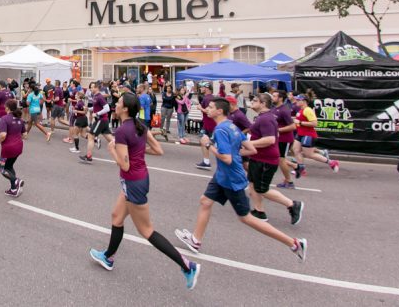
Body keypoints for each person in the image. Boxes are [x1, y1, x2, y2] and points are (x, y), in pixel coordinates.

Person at [89, 92, 200, 290]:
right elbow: (159, 150)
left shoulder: (123, 131)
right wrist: (136, 152)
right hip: (138, 179)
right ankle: (109, 257)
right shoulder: (140, 125)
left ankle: (187, 266)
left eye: (119, 102)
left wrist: (112, 150)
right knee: (116, 217)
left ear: (125, 109)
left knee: (147, 231)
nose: (115, 104)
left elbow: (124, 165)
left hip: (133, 182)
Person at [175, 98, 307, 263]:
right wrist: (234, 154)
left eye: (210, 107)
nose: (207, 109)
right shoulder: (232, 126)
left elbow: (227, 158)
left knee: (246, 218)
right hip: (222, 176)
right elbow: (250, 149)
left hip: (231, 178)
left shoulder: (221, 130)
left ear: (219, 111)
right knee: (205, 202)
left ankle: (294, 243)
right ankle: (195, 240)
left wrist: (209, 145)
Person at [244, 94, 304, 224]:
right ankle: (259, 211)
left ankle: (292, 204)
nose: (251, 102)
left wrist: (248, 144)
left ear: (263, 103)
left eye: (254, 100)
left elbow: (270, 139)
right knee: (253, 185)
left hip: (265, 160)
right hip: (257, 157)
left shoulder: (266, 118)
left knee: (262, 189)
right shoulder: (263, 117)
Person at [291, 95, 339, 176]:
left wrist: (300, 123)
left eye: (298, 100)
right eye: (296, 100)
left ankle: (332, 162)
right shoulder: (301, 110)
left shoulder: (308, 110)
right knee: (295, 150)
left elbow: (314, 123)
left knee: (309, 154)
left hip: (308, 135)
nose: (296, 101)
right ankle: (301, 168)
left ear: (304, 101)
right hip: (300, 134)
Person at [0, 99, 26, 197]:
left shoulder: (4, 119)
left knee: (2, 169)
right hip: (18, 147)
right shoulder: (20, 119)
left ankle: (16, 180)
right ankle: (13, 189)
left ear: (7, 108)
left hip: (8, 149)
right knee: (9, 166)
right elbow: (25, 135)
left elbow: (3, 135)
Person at [271, 91, 298, 189]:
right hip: (277, 139)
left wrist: (278, 130)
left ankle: (289, 181)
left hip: (285, 139)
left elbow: (293, 126)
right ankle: (295, 168)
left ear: (281, 98)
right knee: (278, 159)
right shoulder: (274, 109)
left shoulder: (284, 110)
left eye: (274, 96)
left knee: (281, 160)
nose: (272, 98)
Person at [195, 82, 216, 170]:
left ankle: (208, 161)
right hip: (208, 124)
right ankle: (206, 162)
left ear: (206, 88)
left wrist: (200, 108)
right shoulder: (210, 98)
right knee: (203, 141)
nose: (200, 88)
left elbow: (208, 112)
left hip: (210, 125)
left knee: (210, 143)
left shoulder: (207, 99)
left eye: (202, 87)